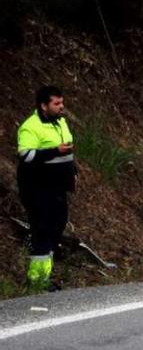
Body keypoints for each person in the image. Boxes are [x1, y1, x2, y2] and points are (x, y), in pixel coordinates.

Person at [17, 85, 76, 291]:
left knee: (55, 229)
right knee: (42, 231)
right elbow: (26, 155)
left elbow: (66, 152)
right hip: (38, 190)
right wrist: (54, 151)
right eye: (56, 103)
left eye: (62, 102)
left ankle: (45, 276)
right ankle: (37, 280)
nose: (62, 107)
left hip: (58, 189)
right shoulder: (30, 126)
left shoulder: (60, 122)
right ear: (44, 106)